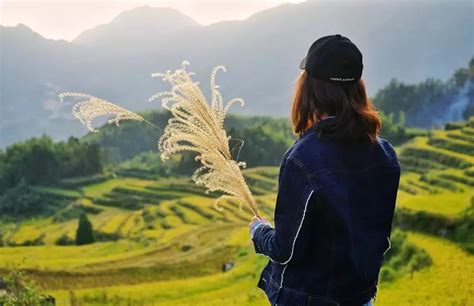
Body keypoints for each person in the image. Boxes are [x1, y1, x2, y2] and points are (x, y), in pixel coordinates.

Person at [249, 34, 401, 306]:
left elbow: (285, 250)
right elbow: (378, 240)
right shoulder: (386, 155)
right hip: (361, 297)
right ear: (357, 88)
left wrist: (259, 232)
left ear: (310, 89)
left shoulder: (302, 159)